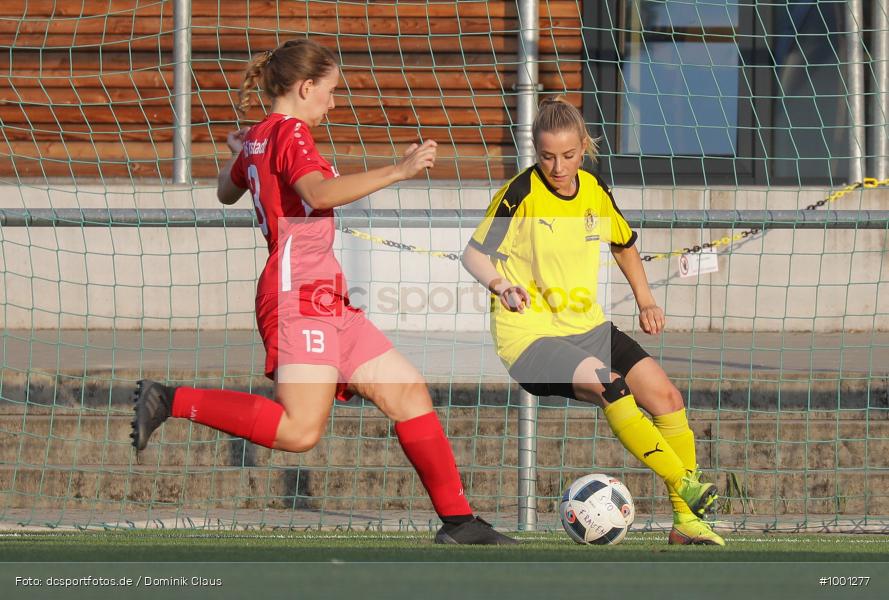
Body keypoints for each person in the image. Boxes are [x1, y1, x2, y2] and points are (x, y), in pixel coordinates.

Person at [130, 38, 515, 545]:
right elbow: (317, 192)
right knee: (298, 431)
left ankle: (459, 521)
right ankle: (170, 399)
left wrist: (242, 152)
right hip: (297, 295)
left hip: (326, 295)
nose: (333, 103)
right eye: (330, 92)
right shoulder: (290, 132)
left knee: (408, 392)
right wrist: (398, 171)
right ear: (306, 87)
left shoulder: (263, 136)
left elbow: (226, 191)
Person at [461, 97, 725, 546]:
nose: (557, 166)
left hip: (588, 326)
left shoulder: (594, 190)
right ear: (535, 151)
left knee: (666, 396)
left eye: (567, 155)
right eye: (546, 157)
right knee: (610, 384)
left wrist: (646, 300)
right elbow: (473, 254)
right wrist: (501, 286)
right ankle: (685, 483)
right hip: (529, 338)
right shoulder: (520, 193)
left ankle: (686, 524)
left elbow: (622, 243)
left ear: (583, 148)